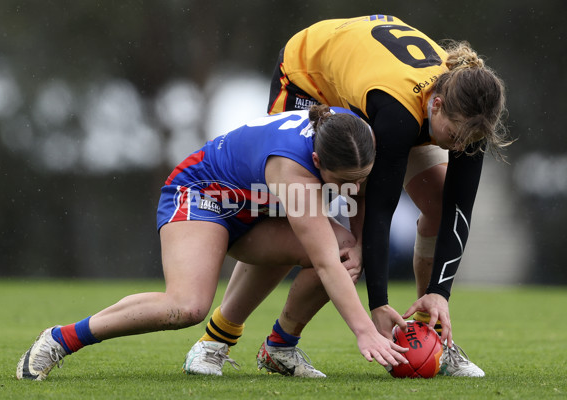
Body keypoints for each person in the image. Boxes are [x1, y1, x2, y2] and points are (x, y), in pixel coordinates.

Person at [183, 15, 511, 378]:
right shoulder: (398, 116)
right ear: (436, 106)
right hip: (308, 79)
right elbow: (381, 209)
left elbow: (458, 210)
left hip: (375, 87)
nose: (461, 146)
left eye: (469, 140)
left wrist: (439, 294)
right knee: (314, 232)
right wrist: (379, 303)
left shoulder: (468, 118)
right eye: (455, 137)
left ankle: (429, 332)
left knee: (435, 202)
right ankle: (218, 339)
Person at [15, 105, 411, 381]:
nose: (354, 189)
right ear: (316, 160)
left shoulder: (357, 138)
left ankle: (278, 348)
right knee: (185, 307)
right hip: (202, 196)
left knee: (343, 250)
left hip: (256, 204)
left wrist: (358, 240)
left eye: (361, 177)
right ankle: (62, 338)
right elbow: (324, 263)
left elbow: (357, 194)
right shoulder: (293, 171)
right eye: (343, 181)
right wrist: (364, 330)